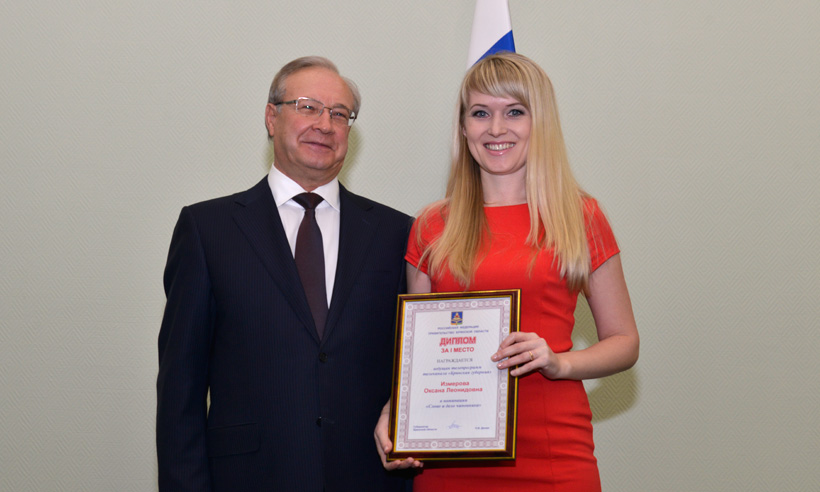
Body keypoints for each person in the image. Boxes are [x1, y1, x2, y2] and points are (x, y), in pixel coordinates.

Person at [374, 52, 639, 491]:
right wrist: (393, 413)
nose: (496, 129)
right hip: (449, 459)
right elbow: (417, 355)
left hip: (554, 454)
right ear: (463, 127)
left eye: (514, 112)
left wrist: (560, 362)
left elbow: (625, 342)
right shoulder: (431, 225)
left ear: (541, 122)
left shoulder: (580, 217)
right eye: (480, 113)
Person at [157, 56, 412, 492]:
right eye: (308, 107)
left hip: (368, 477)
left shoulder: (396, 232)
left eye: (339, 114)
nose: (325, 125)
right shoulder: (208, 230)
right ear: (271, 117)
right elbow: (181, 388)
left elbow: (411, 367)